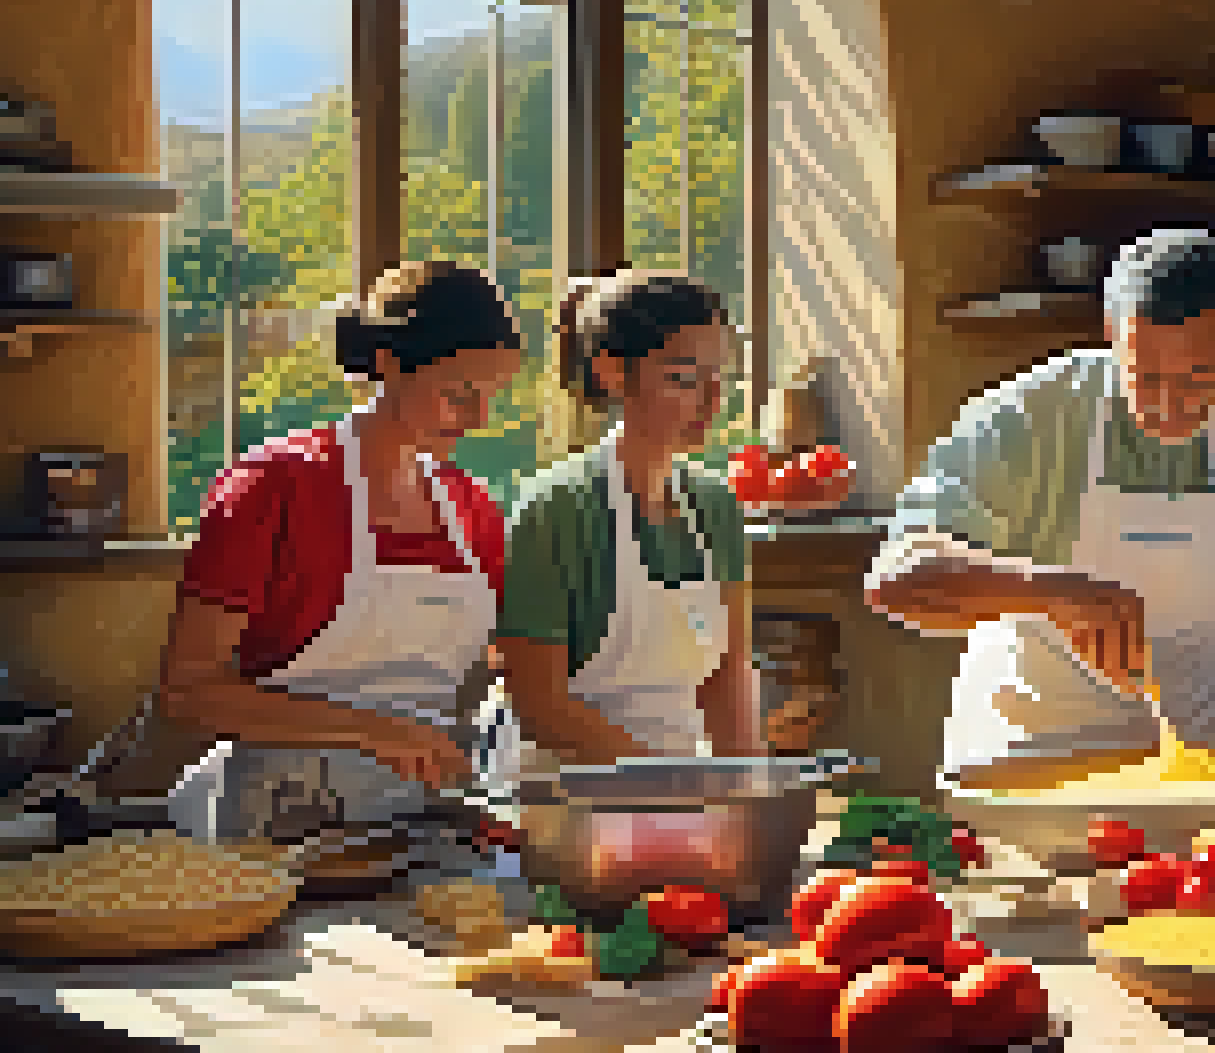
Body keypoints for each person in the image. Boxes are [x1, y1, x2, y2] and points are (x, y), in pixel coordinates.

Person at [866, 228, 1215, 773]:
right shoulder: (1025, 418)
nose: (1167, 407)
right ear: (1112, 334)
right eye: (1146, 378)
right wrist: (1045, 590)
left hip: (1201, 745)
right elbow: (897, 578)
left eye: (1194, 380)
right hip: (1035, 746)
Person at [158, 261, 521, 841]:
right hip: (273, 823)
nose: (478, 419)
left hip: (423, 825)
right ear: (387, 363)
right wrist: (382, 732)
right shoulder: (272, 485)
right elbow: (188, 693)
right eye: (460, 394)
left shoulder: (470, 505)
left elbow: (510, 661)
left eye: (492, 397)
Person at [483, 271, 763, 775]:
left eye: (720, 378)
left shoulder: (716, 505)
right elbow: (540, 708)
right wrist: (672, 783)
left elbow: (729, 673)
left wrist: (745, 791)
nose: (711, 402)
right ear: (611, 372)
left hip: (684, 795)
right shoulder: (557, 506)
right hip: (564, 807)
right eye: (683, 378)